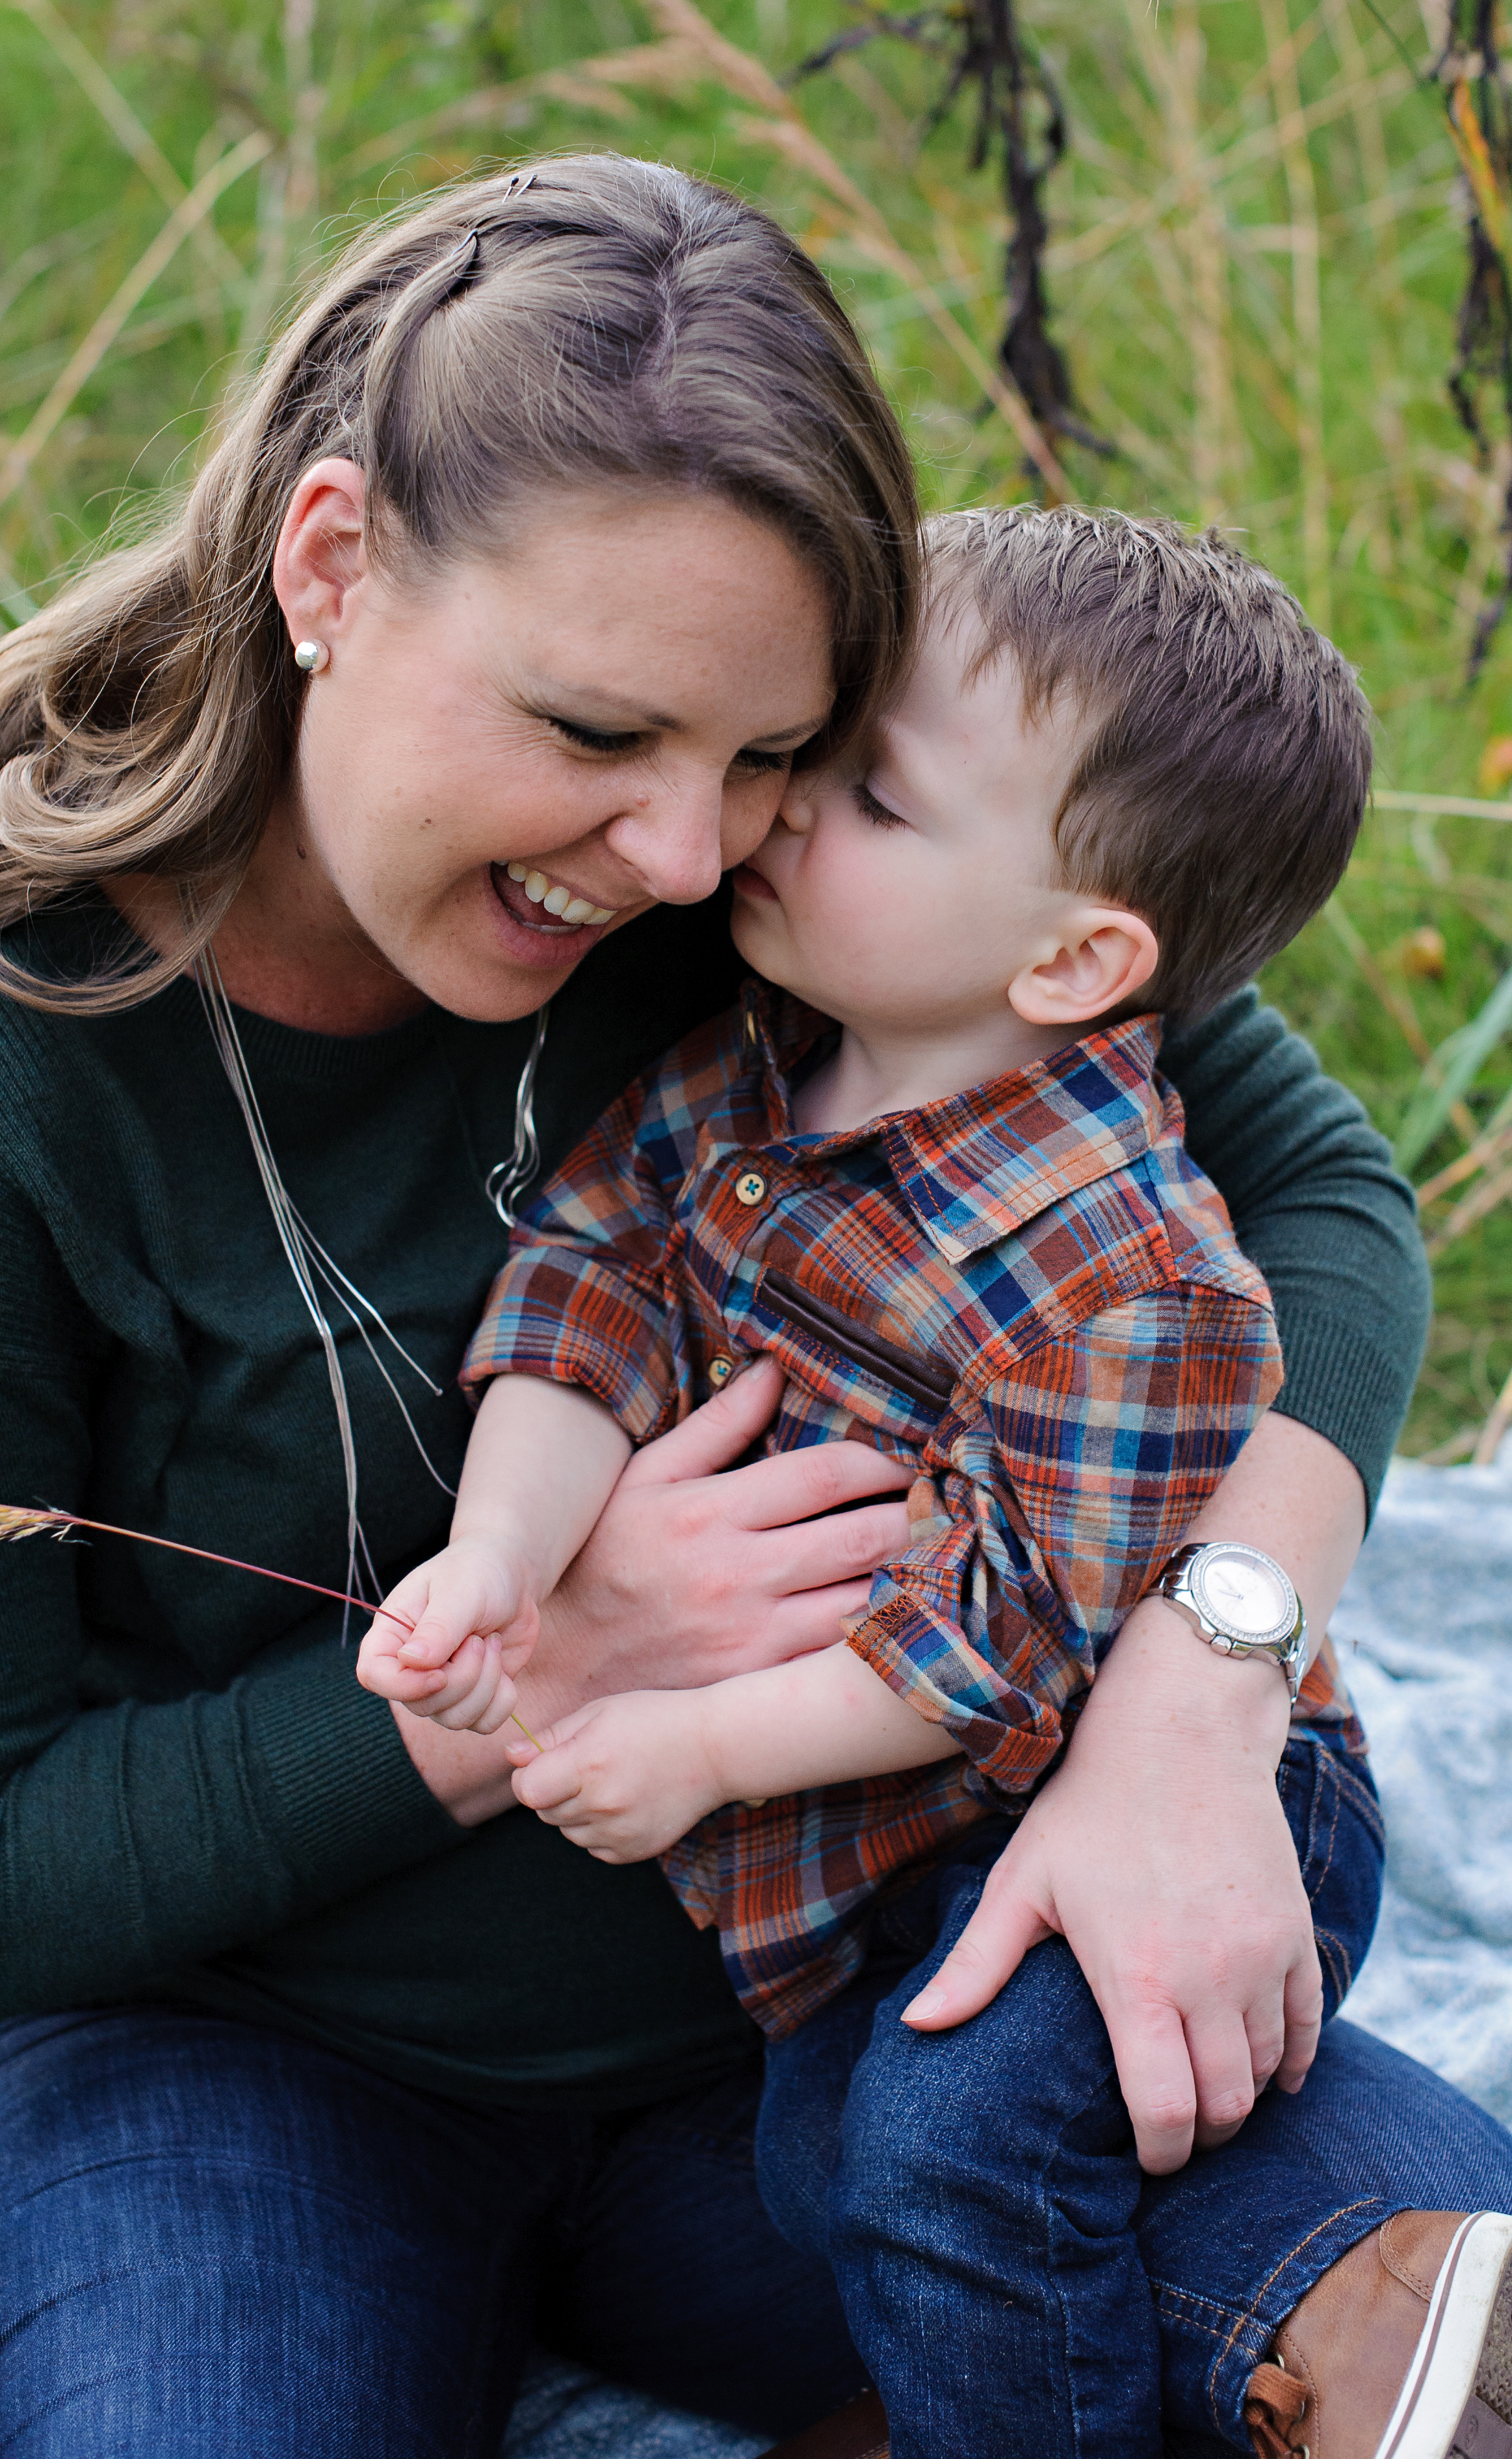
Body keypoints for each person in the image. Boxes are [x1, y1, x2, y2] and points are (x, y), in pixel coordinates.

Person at [0, 151, 1504, 2459]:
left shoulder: (809, 891)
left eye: (770, 755)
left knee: (1426, 2343)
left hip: (839, 2005)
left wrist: (1196, 1691)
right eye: (594, 732)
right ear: (329, 563)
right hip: (221, 2073)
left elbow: (1323, 1196)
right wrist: (549, 1665)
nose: (678, 850)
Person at [356, 503, 1507, 2459]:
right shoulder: (750, 1069)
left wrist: (707, 1745)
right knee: (837, 2168)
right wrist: (503, 1553)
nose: (777, 812)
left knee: (947, 2156)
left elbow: (991, 1648)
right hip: (882, 1848)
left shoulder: (1135, 1282)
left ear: (1077, 955)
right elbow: (589, 1288)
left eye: (868, 795)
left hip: (1106, 1776)